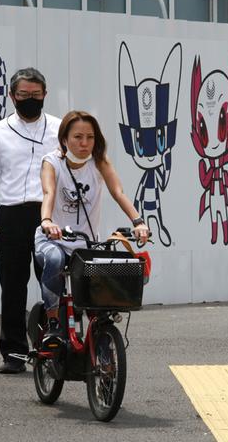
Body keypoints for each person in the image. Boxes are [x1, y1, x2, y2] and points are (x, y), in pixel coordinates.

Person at [35, 111, 149, 344]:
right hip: (52, 239)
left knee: (107, 280)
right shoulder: (52, 162)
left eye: (90, 137)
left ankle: (101, 337)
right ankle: (53, 321)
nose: (84, 143)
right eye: (77, 137)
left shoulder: (99, 161)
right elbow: (49, 193)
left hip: (85, 243)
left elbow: (118, 193)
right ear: (64, 139)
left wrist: (138, 222)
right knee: (55, 260)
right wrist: (47, 221)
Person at [0, 68, 61, 374]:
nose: (29, 100)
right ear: (11, 96)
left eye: (35, 95)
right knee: (12, 285)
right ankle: (14, 351)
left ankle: (55, 348)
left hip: (49, 214)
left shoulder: (59, 128)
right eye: (23, 95)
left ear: (45, 95)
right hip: (12, 213)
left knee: (53, 283)